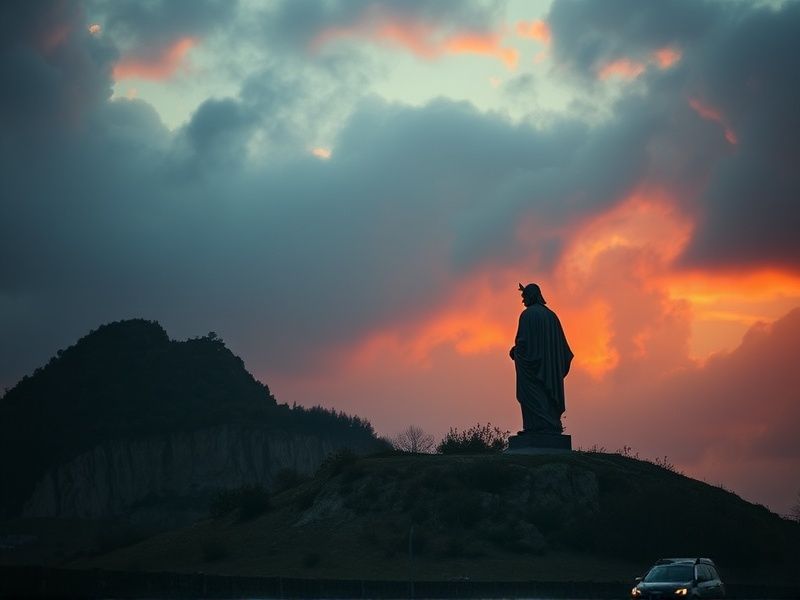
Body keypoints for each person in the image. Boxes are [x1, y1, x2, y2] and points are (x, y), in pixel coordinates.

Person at [509, 283, 573, 434]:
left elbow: (523, 343)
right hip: (549, 370)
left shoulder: (527, 315)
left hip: (531, 369)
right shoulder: (552, 316)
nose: (523, 301)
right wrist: (552, 366)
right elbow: (563, 349)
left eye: (524, 297)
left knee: (531, 396)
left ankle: (535, 427)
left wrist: (515, 351)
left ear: (531, 296)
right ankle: (549, 424)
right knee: (545, 395)